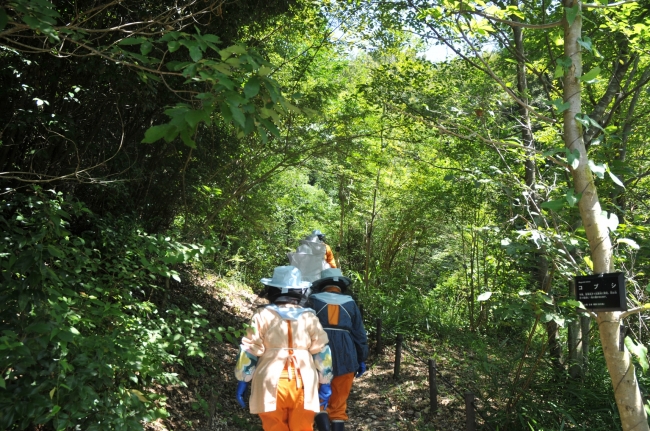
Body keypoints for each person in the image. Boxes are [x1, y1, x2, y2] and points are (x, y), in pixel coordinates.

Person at [234, 266, 334, 431]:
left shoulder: (262, 315)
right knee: (302, 427)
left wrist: (243, 380)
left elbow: (250, 348)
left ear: (273, 290)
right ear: (299, 291)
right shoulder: (309, 317)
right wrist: (326, 382)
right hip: (304, 382)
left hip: (269, 380)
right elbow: (322, 351)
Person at [308, 268, 368, 431]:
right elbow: (359, 334)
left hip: (318, 352)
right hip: (346, 353)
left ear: (323, 284)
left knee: (318, 398)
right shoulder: (350, 302)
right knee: (339, 404)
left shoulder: (312, 300)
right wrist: (361, 359)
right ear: (341, 285)